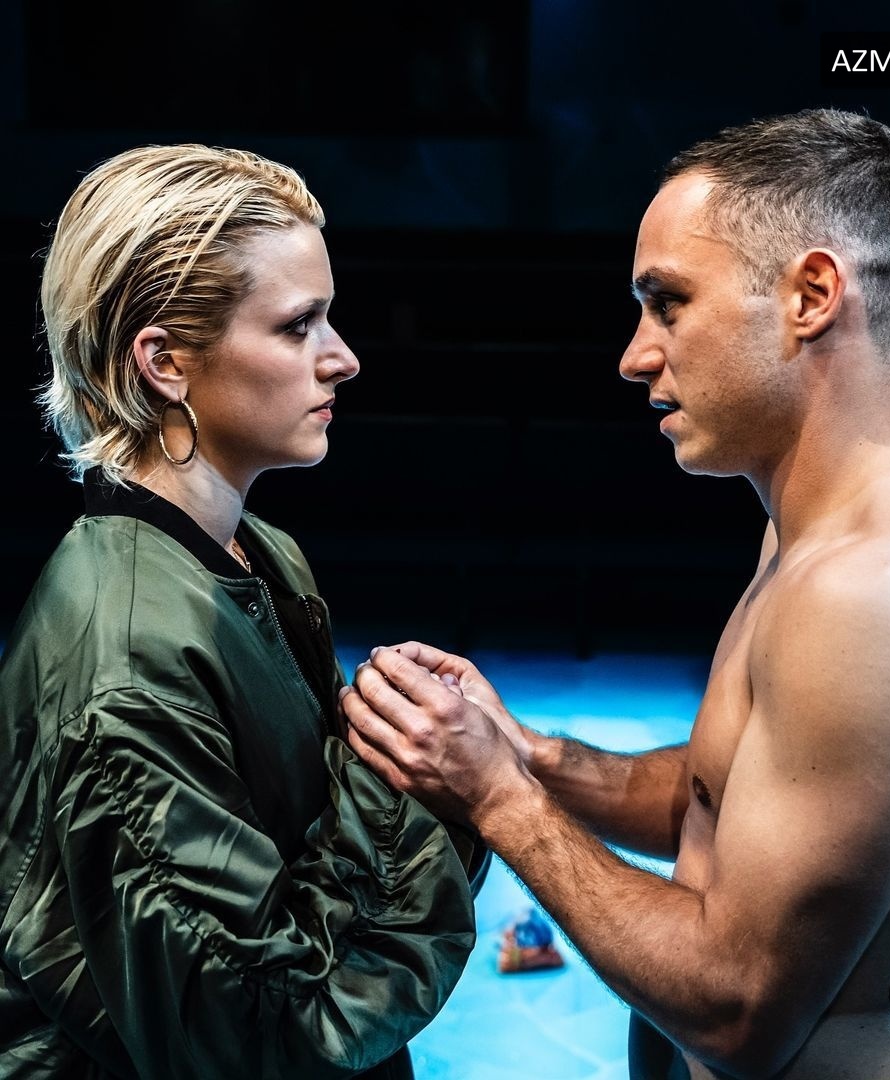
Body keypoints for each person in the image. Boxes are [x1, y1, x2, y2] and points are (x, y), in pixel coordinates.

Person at [339, 108, 890, 1079]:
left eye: (668, 303)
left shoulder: (884, 597)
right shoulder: (814, 539)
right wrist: (524, 753)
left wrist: (499, 798)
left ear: (811, 296)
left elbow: (738, 1014)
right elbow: (729, 792)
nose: (636, 354)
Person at [0, 143, 485, 1079]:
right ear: (165, 362)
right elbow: (269, 1036)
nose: (343, 358)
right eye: (298, 325)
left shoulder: (257, 549)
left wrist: (399, 742)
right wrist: (412, 782)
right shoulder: (131, 660)